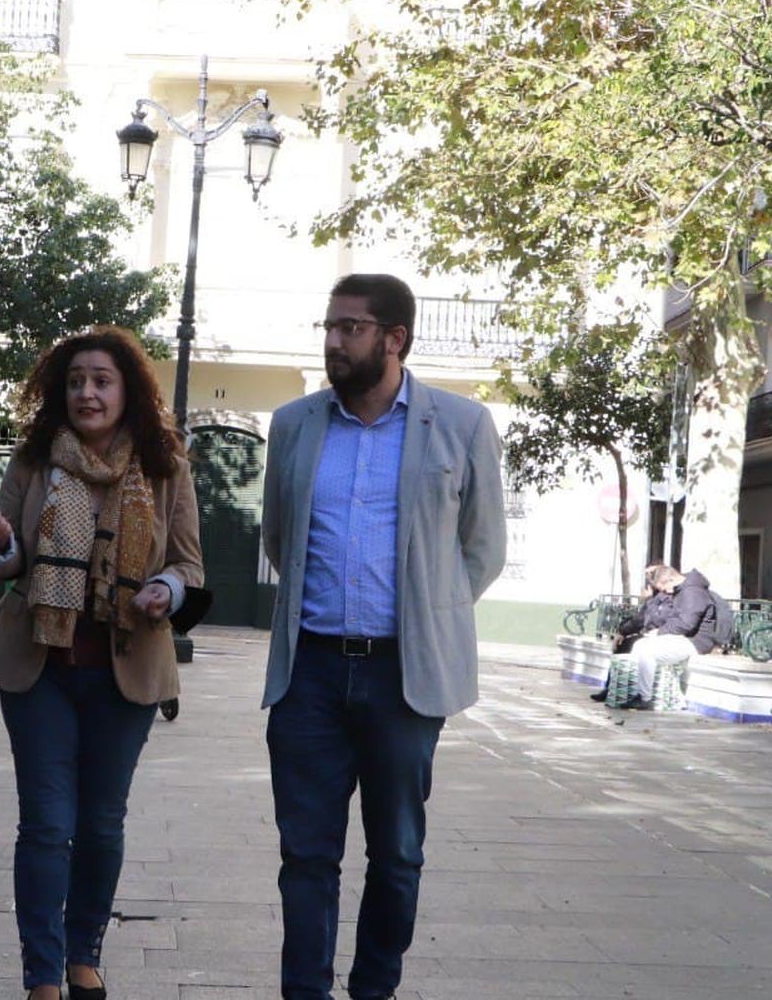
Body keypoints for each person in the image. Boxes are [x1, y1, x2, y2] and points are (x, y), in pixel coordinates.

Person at [260, 274, 506, 1000]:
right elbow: (280, 535)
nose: (334, 342)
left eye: (351, 328)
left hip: (405, 677)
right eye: (329, 327)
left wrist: (429, 615)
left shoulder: (460, 424)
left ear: (394, 339)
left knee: (397, 854)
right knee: (306, 854)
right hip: (309, 673)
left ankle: (374, 990)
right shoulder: (295, 424)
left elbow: (482, 547)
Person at [0, 326, 204, 1000]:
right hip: (38, 667)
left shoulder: (166, 469)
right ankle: (42, 975)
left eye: (101, 380)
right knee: (46, 824)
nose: (87, 392)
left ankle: (84, 956)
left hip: (124, 670)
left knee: (102, 823)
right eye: (75, 381)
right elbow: (10, 563)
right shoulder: (35, 460)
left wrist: (169, 590)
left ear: (127, 390)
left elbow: (189, 564)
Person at [616, 566, 729, 711]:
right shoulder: (683, 589)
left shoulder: (692, 592)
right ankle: (641, 692)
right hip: (683, 638)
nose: (667, 592)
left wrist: (660, 632)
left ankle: (644, 698)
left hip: (695, 642)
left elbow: (686, 623)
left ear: (670, 579)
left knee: (647, 651)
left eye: (664, 588)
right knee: (640, 645)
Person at [589, 564, 677, 703]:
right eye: (647, 574)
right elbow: (640, 619)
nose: (649, 578)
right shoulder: (657, 596)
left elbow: (655, 618)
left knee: (636, 646)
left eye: (651, 574)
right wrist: (622, 631)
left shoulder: (669, 596)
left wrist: (648, 601)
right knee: (622, 644)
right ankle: (611, 687)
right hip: (648, 633)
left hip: (660, 636)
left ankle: (635, 693)